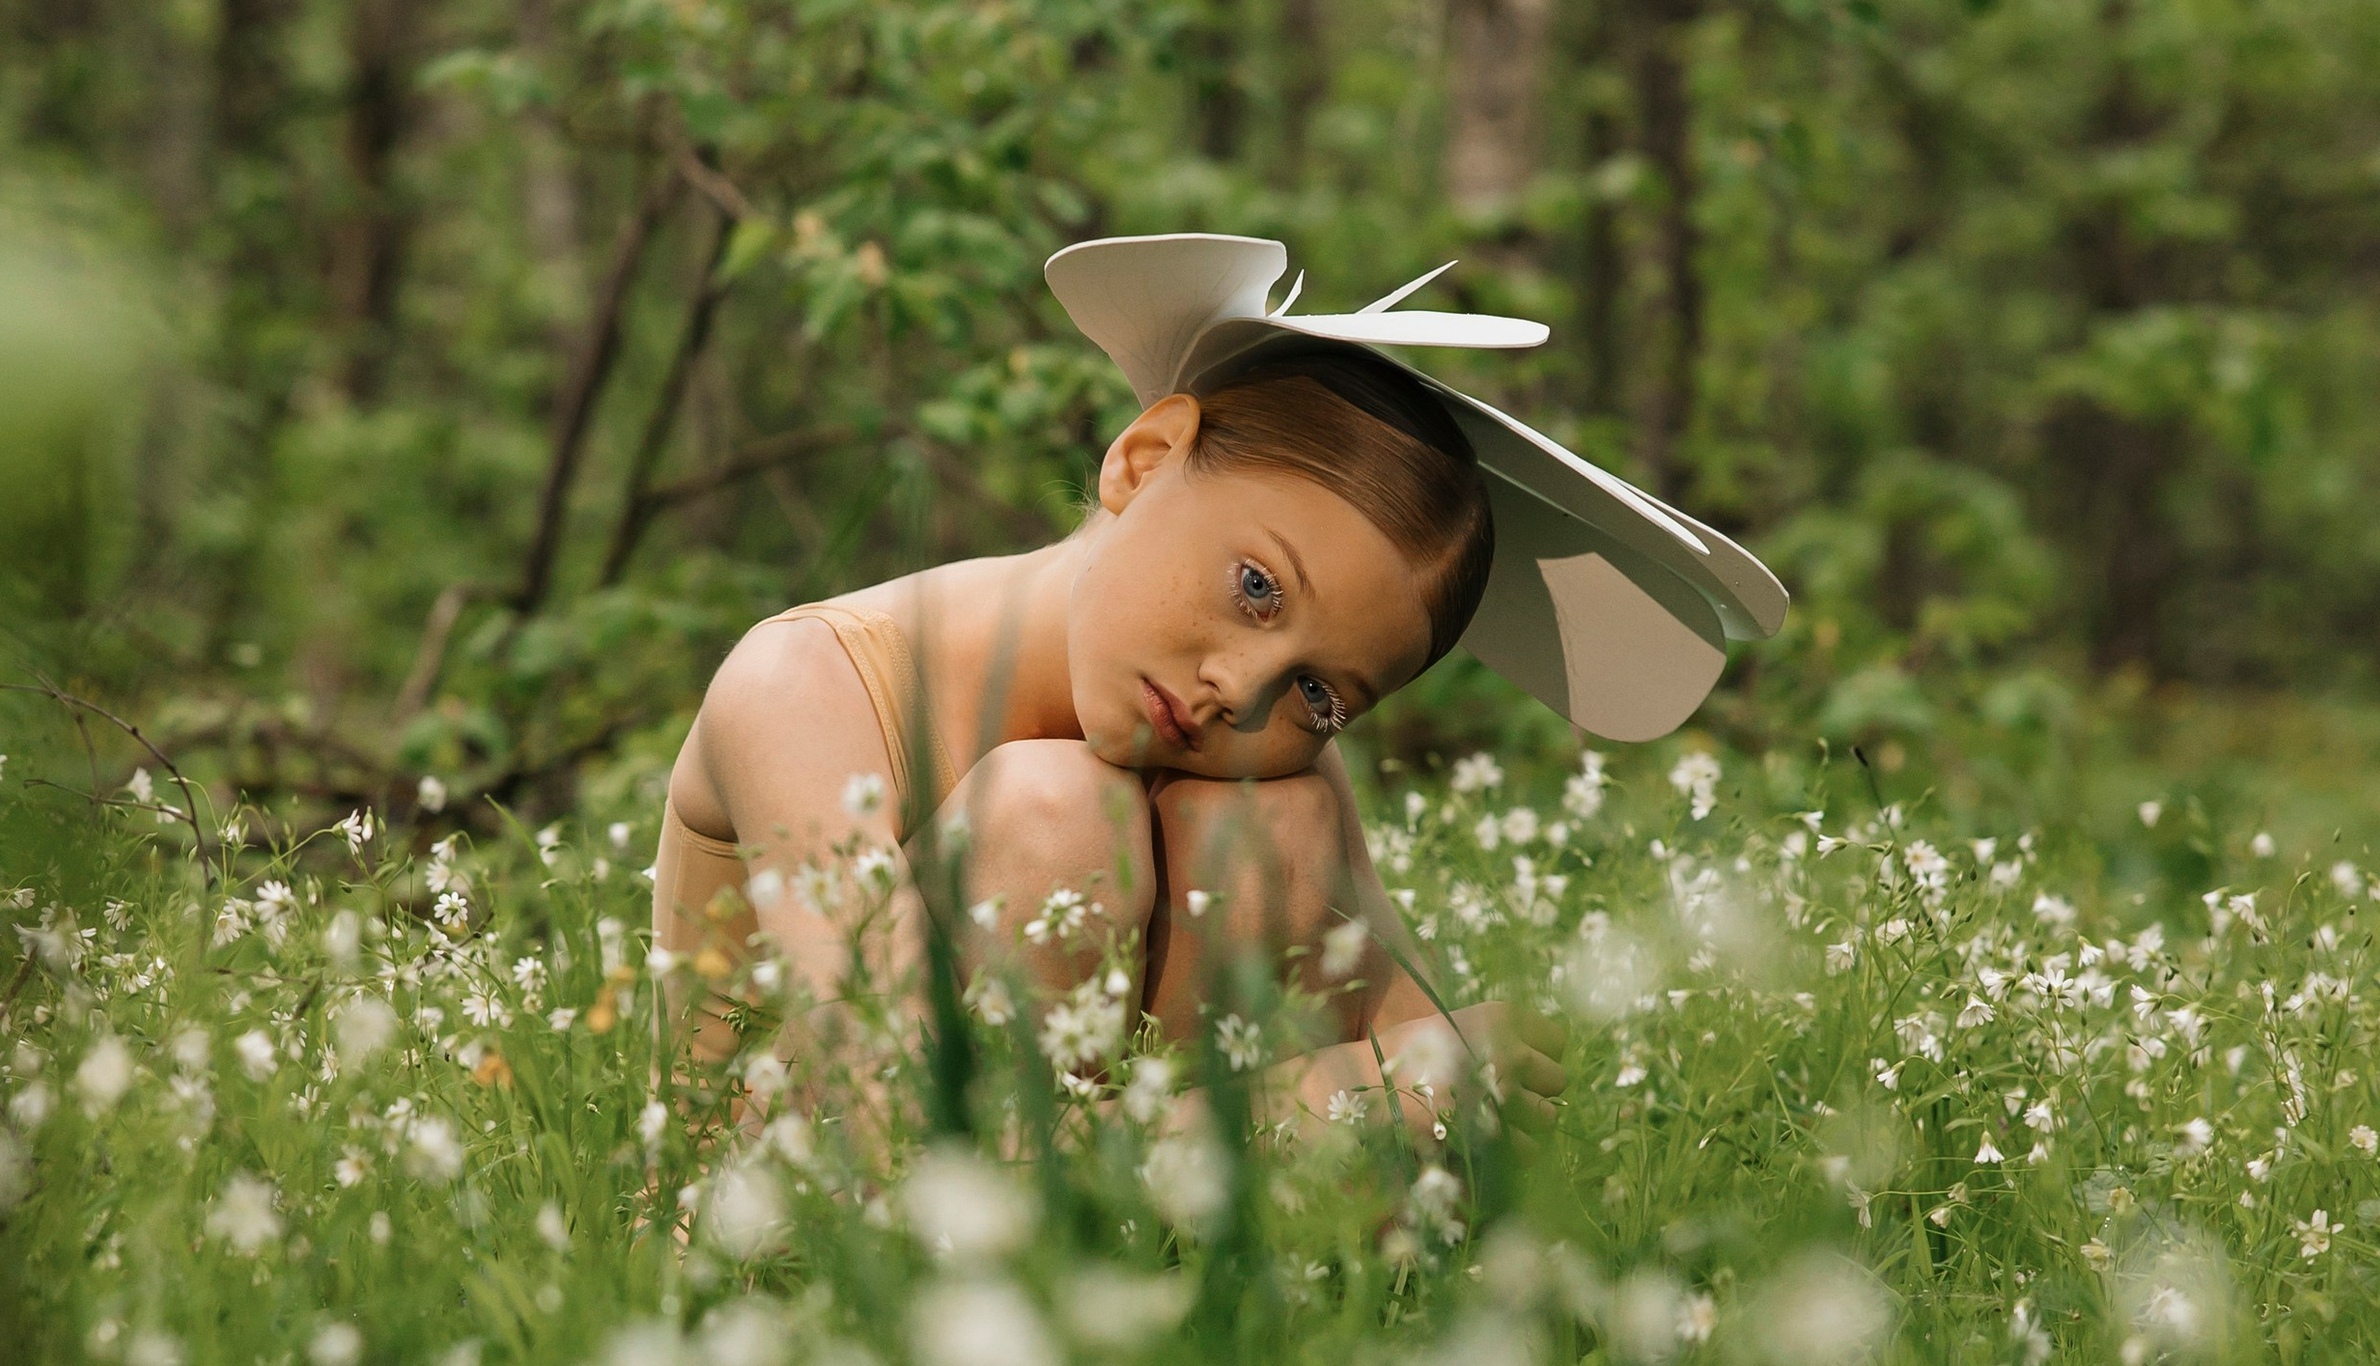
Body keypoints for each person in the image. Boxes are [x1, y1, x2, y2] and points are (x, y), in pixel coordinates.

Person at [654, 232, 1785, 1137]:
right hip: (786, 1240)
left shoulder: (1265, 764)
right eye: (1255, 585)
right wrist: (1311, 1108)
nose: (1239, 690)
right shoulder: (806, 682)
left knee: (1274, 821)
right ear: (1142, 462)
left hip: (1103, 1219)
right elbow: (889, 1122)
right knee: (1052, 812)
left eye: (1322, 694)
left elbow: (1430, 1044)